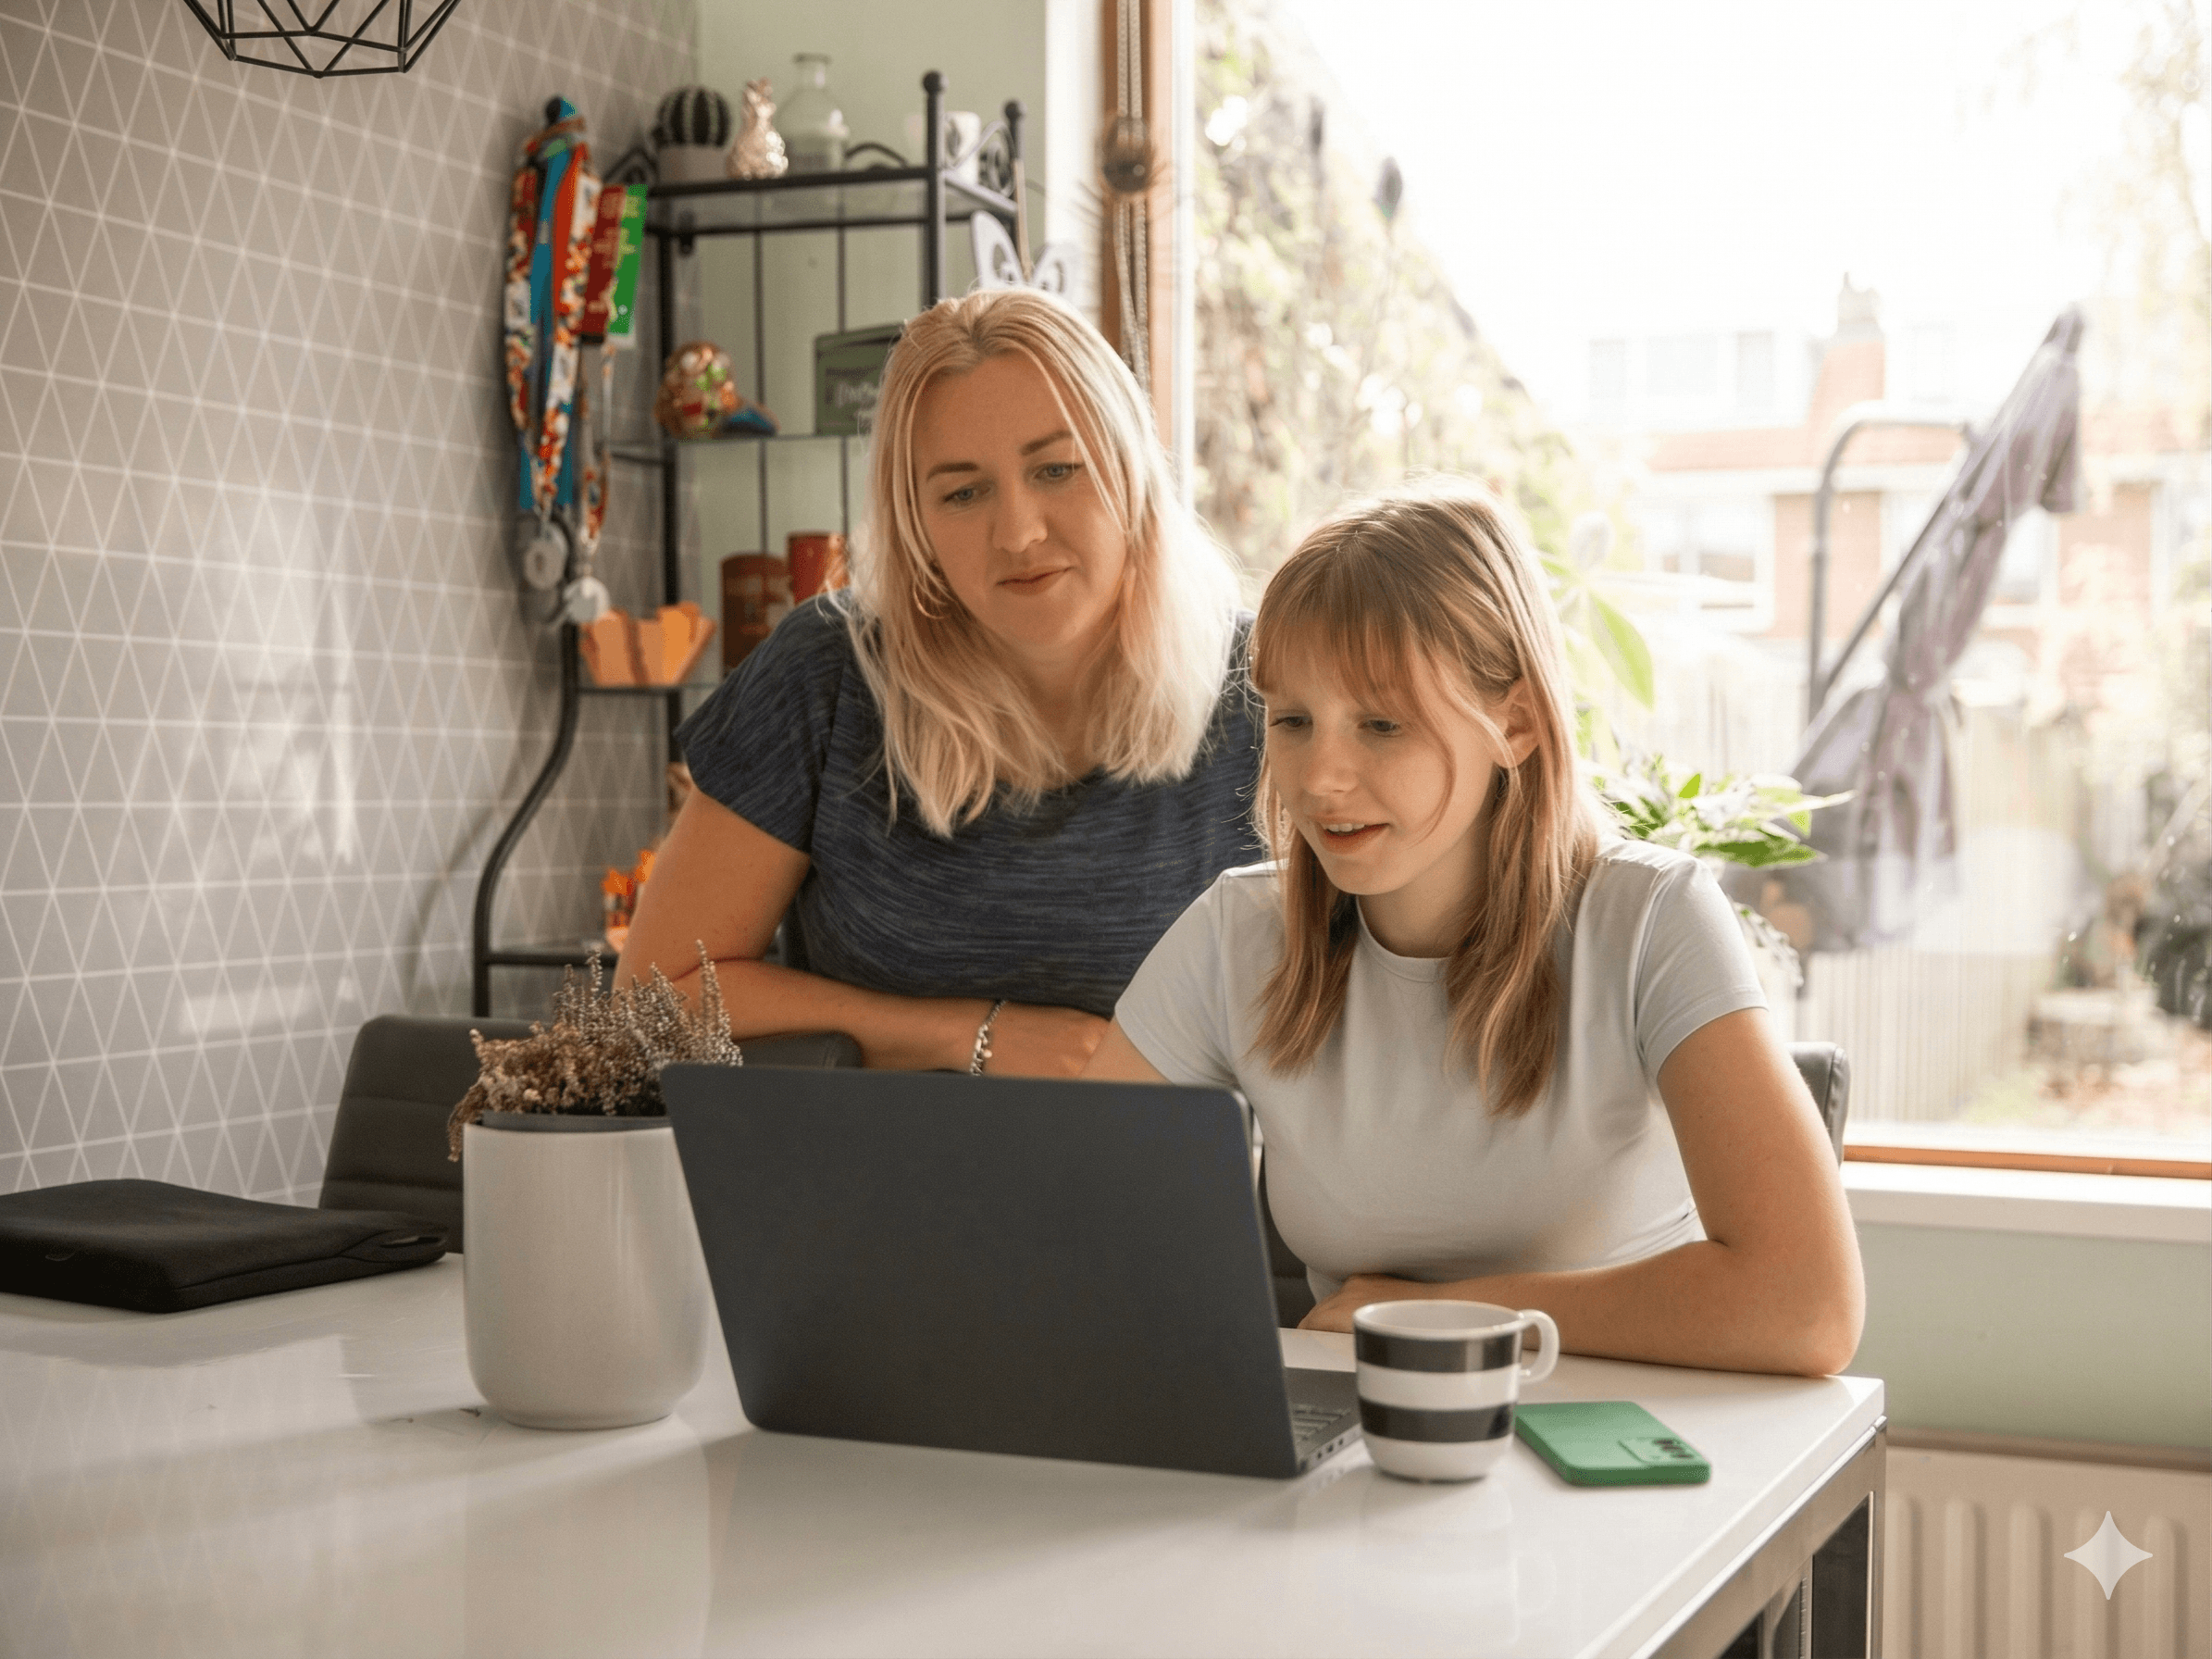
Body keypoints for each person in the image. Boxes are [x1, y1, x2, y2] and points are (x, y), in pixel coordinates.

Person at [1083, 481, 1865, 1377]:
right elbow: (1063, 1218)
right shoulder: (1236, 936)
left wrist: (1435, 1315)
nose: (1323, 776)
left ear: (1517, 723)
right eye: (1294, 720)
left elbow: (1808, 1308)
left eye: (1382, 724)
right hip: (1364, 1459)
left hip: (1621, 1462)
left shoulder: (1652, 920)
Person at [615, 287, 1258, 1078]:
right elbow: (651, 999)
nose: (1019, 533)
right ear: (915, 523)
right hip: (862, 1191)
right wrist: (979, 1036)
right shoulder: (827, 676)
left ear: (1132, 473)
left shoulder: (1272, 689)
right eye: (963, 492)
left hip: (1176, 1195)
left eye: (1057, 469)